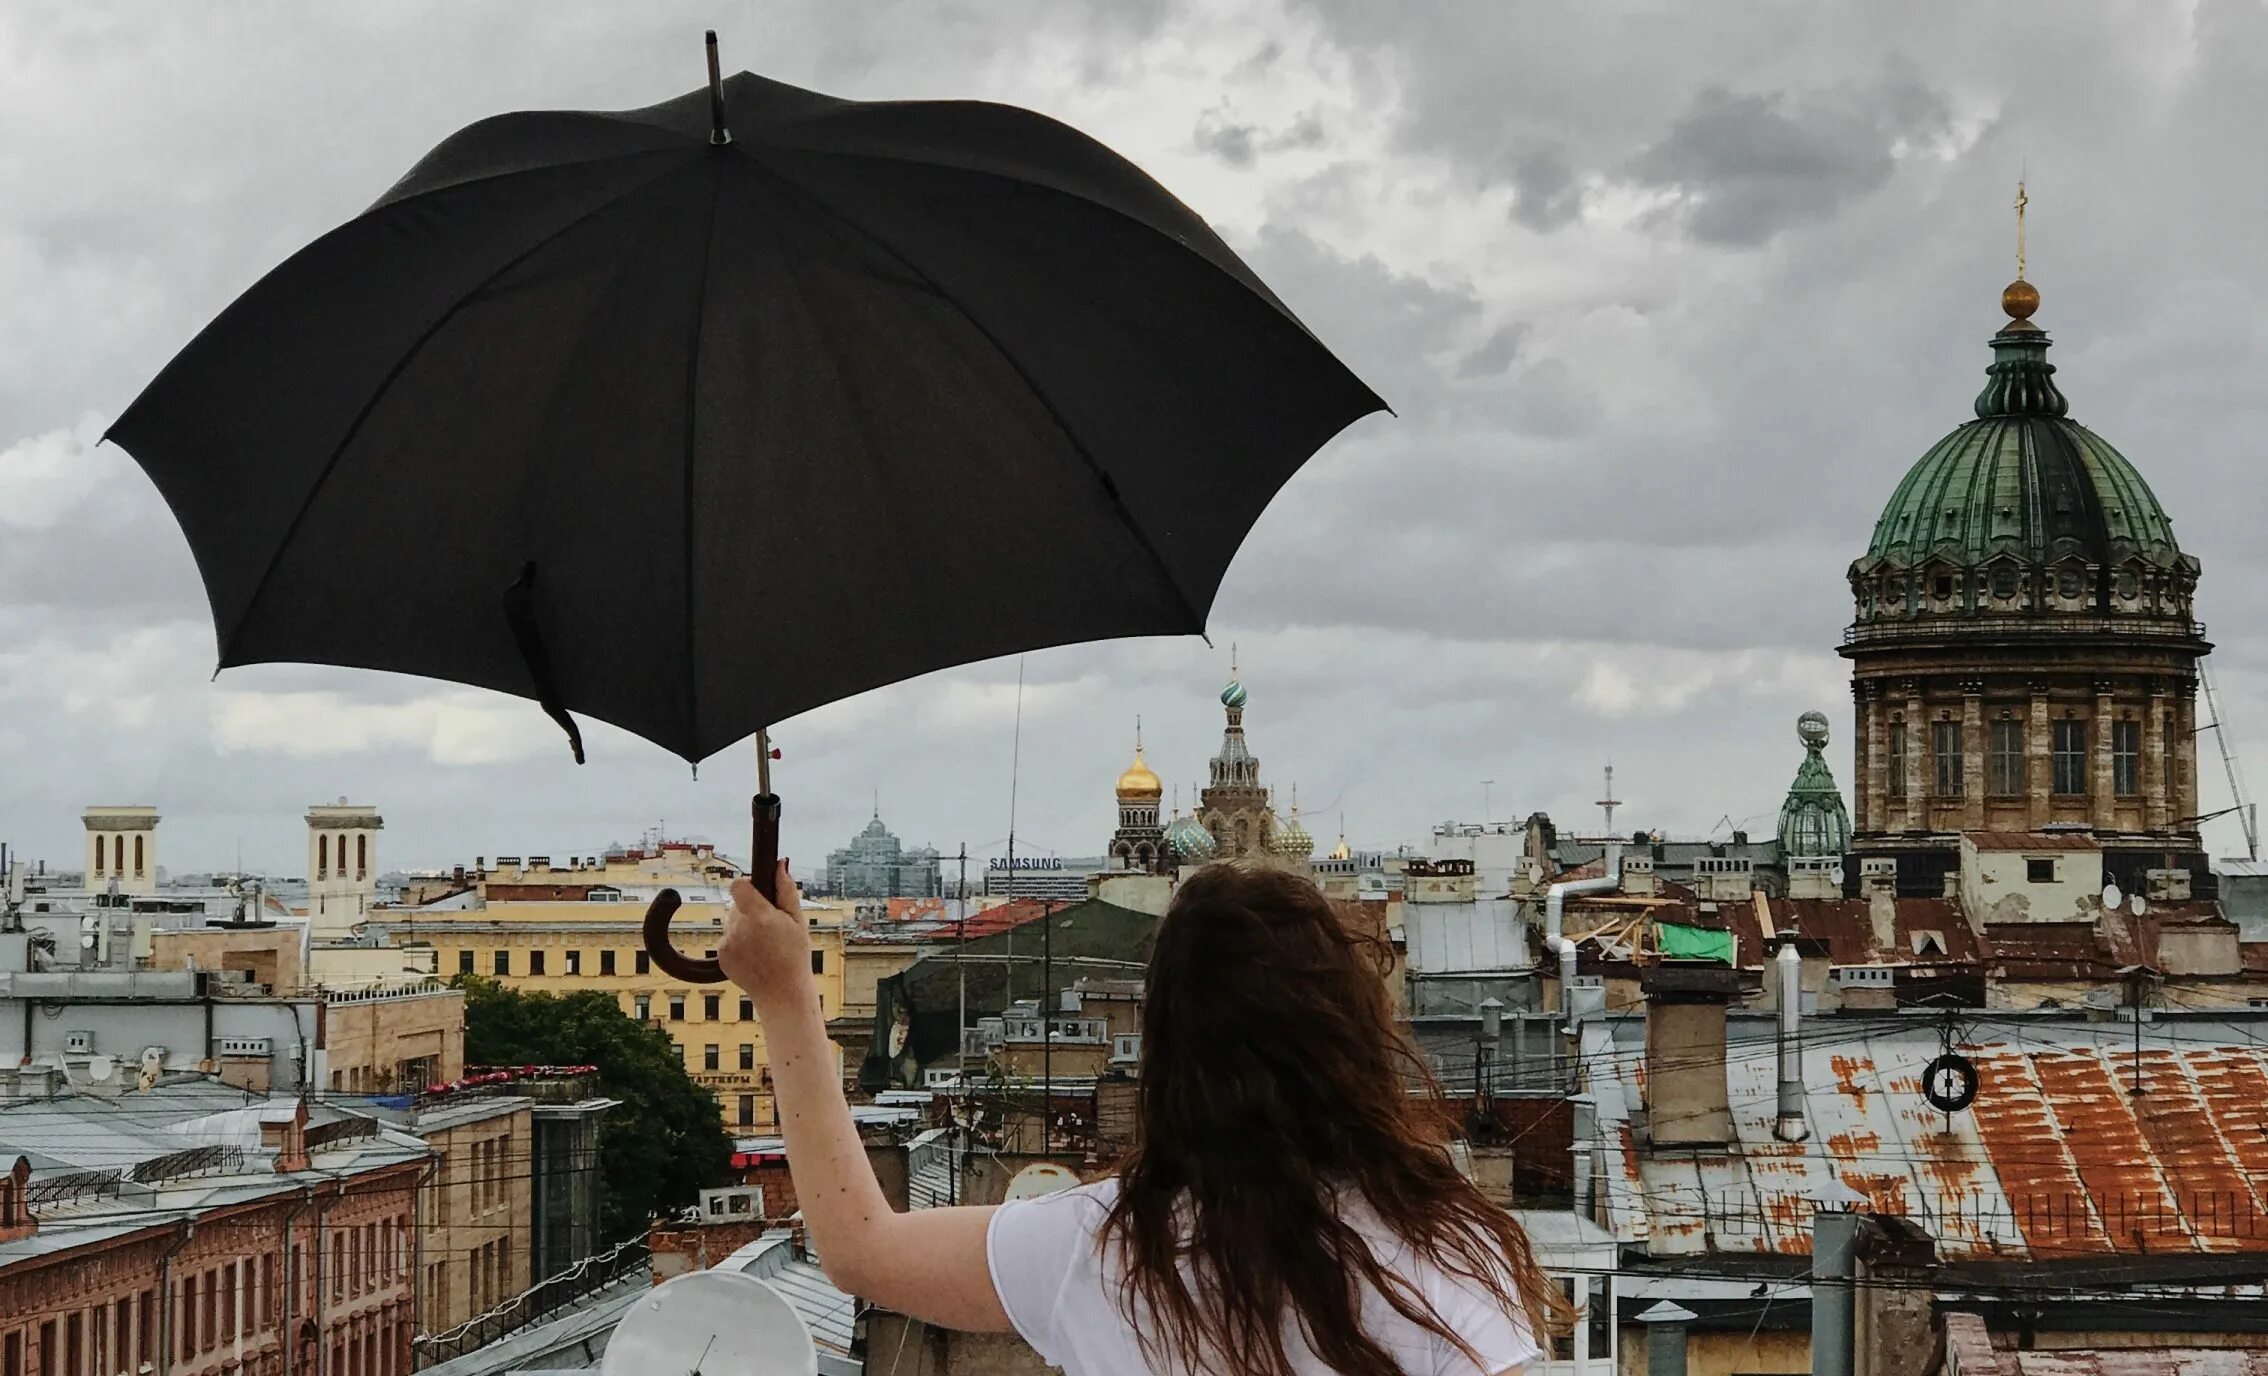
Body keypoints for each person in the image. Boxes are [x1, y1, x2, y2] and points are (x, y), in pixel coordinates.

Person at [721, 857, 1564, 1376]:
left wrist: (787, 996)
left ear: (1163, 1048)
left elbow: (859, 1248)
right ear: (1350, 1032)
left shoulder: (1099, 1248)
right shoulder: (1450, 1247)